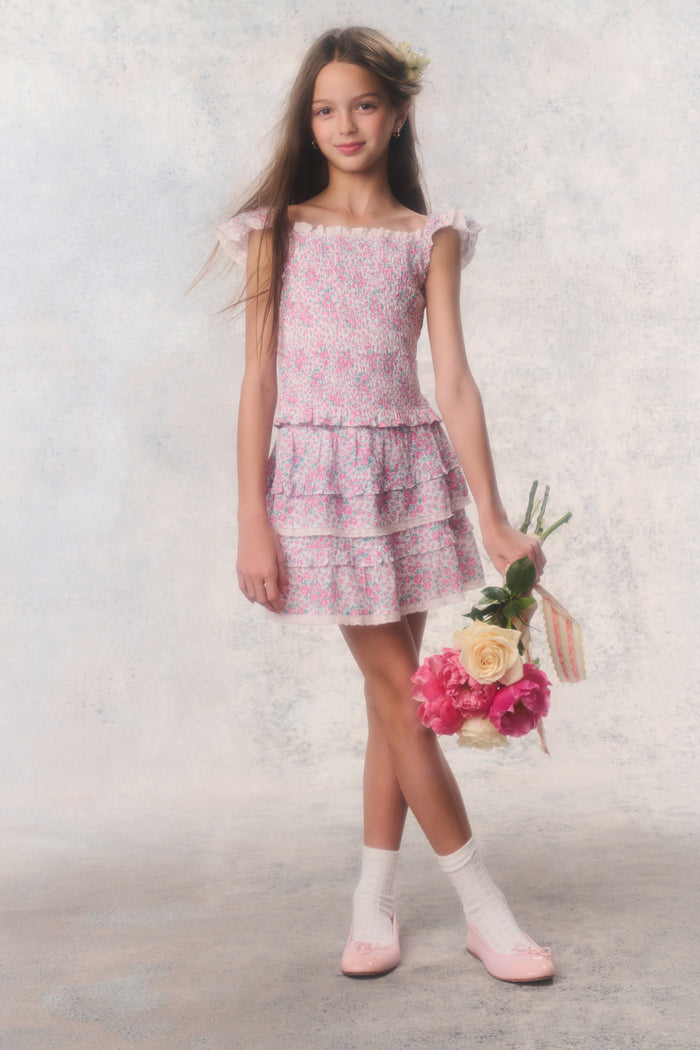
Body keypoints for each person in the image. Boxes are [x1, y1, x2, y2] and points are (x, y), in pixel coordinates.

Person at [213, 26, 554, 983]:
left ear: (396, 111)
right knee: (404, 695)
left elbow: (452, 380)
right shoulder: (275, 231)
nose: (343, 124)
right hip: (317, 487)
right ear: (306, 121)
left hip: (406, 478)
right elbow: (258, 382)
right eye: (324, 109)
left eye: (362, 103)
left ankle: (372, 905)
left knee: (387, 703)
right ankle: (484, 904)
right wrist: (252, 515)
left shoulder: (429, 235)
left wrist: (490, 514)